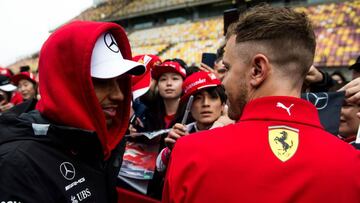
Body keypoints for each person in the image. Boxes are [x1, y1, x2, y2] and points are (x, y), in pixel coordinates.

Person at [162, 5, 360, 203]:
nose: (223, 81)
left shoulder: (190, 153)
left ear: (257, 70)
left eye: (228, 68)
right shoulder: (352, 164)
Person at [0, 20, 145, 202]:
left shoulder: (95, 144)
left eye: (120, 81)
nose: (119, 95)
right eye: (102, 81)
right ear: (64, 84)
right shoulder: (15, 166)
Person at [156, 71, 231, 173]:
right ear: (189, 107)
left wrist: (190, 146)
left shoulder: (233, 133)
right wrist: (170, 150)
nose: (205, 104)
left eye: (213, 97)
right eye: (198, 98)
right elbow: (159, 167)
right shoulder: (181, 132)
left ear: (223, 105)